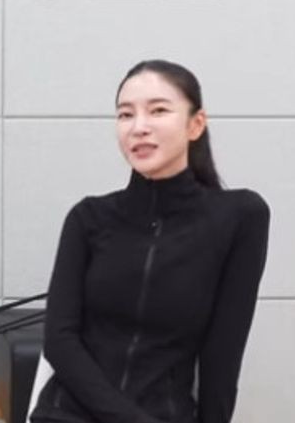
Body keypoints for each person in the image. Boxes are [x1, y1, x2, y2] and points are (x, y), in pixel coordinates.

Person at [30, 60, 270, 423]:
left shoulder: (240, 217)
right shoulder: (88, 218)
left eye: (158, 110)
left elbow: (223, 353)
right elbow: (60, 341)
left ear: (195, 124)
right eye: (125, 115)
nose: (139, 127)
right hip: (68, 415)